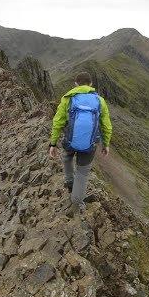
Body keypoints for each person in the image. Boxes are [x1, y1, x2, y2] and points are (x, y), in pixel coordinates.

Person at [48, 71, 112, 214]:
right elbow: (106, 125)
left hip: (70, 140)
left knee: (67, 157)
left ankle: (70, 181)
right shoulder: (99, 101)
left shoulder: (68, 98)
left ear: (76, 84)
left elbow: (58, 122)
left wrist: (53, 143)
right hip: (90, 145)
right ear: (90, 85)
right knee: (82, 173)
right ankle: (76, 202)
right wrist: (106, 144)